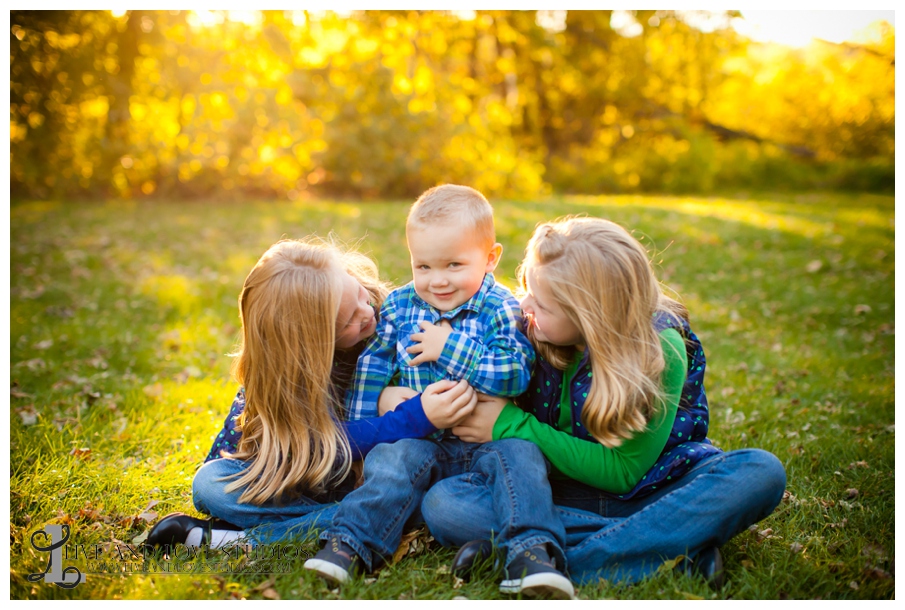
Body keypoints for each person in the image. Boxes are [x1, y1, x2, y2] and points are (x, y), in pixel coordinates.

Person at [421, 217, 787, 590]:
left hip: (657, 486)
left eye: (542, 303)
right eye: (527, 286)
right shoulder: (532, 327)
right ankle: (673, 549)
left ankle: (536, 557)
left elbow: (623, 472)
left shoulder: (660, 348)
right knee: (447, 503)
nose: (525, 303)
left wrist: (509, 423)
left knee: (761, 471)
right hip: (556, 492)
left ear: (589, 316)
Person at [303, 185, 569, 597]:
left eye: (453, 265)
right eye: (423, 266)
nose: (438, 280)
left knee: (522, 456)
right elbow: (371, 369)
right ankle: (350, 544)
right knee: (394, 458)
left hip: (487, 442)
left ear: (491, 258)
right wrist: (370, 418)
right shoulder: (398, 307)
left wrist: (450, 348)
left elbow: (515, 373)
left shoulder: (502, 307)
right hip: (422, 440)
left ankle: (531, 552)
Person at [146, 237, 478, 549]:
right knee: (211, 484)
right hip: (324, 474)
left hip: (391, 471)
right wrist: (410, 418)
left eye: (359, 293)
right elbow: (318, 446)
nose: (367, 312)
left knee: (412, 495)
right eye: (349, 319)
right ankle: (355, 517)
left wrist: (400, 404)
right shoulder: (285, 380)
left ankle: (243, 539)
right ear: (313, 345)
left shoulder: (393, 315)